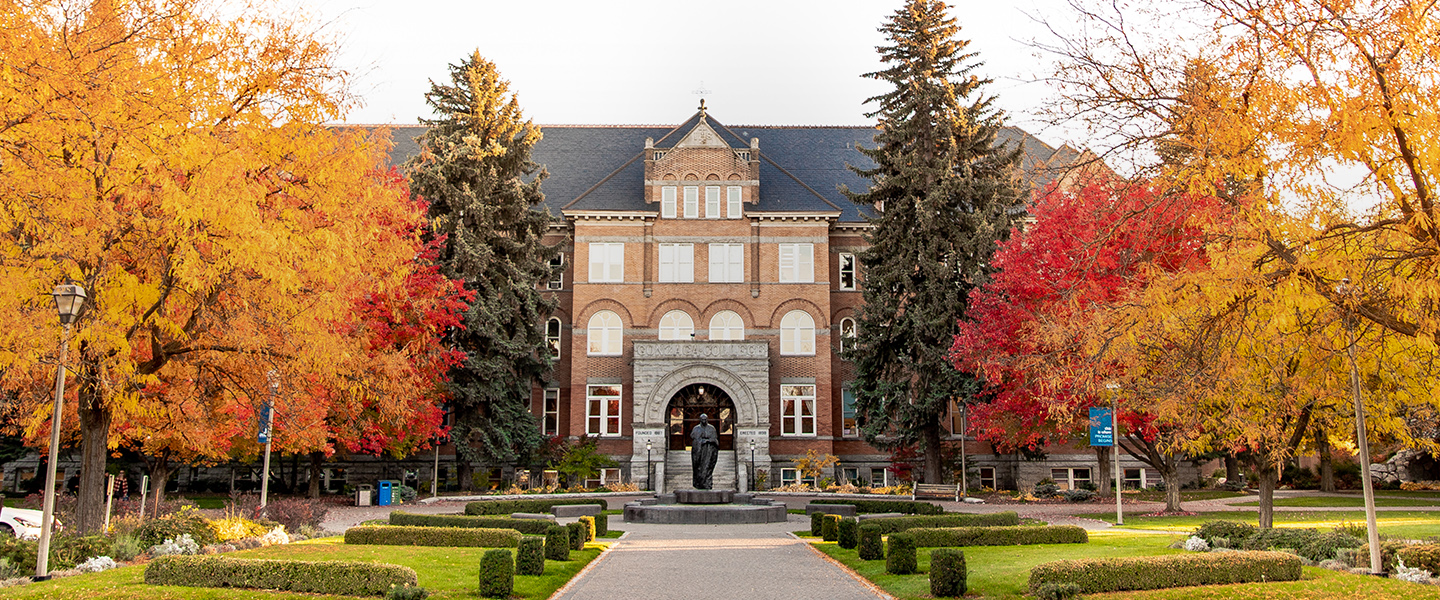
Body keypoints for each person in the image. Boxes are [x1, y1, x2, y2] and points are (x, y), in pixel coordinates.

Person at [690, 413, 719, 489]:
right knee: (699, 468)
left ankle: (707, 483)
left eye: (705, 419)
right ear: (700, 420)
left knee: (707, 467)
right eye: (702, 419)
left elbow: (714, 439)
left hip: (709, 451)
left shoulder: (711, 428)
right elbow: (694, 438)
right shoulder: (696, 428)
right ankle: (699, 483)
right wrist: (702, 441)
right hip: (699, 452)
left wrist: (707, 441)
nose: (704, 421)